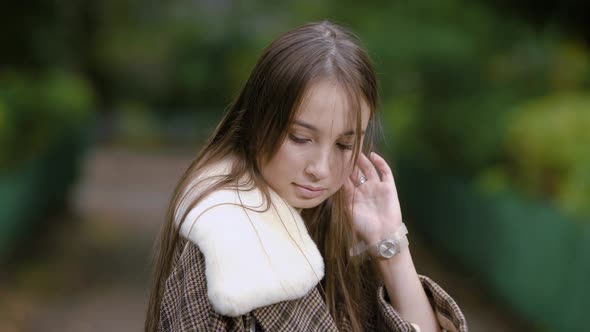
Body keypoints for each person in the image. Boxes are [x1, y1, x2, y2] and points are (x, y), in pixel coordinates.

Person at [145, 21, 468, 332]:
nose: (321, 169)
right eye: (300, 138)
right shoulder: (223, 237)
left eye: (344, 144)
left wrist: (390, 242)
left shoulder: (332, 223)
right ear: (257, 122)